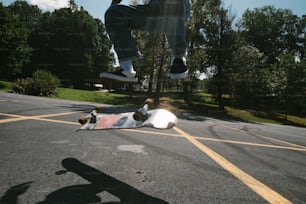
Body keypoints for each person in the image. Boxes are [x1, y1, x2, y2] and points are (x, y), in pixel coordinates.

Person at [100, 0, 191, 82]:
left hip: (178, 10)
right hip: (153, 12)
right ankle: (127, 70)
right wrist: (113, 13)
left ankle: (178, 59)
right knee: (113, 12)